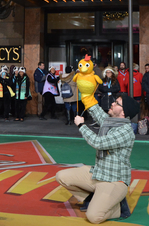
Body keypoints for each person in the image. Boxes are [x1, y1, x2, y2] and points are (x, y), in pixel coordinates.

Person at [55, 93, 139, 224]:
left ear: (123, 112)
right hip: (99, 174)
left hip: (115, 181)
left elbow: (98, 143)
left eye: (117, 103)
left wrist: (81, 126)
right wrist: (86, 93)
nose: (112, 103)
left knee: (94, 217)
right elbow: (97, 111)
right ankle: (93, 198)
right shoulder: (111, 122)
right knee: (61, 176)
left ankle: (119, 208)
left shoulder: (125, 131)